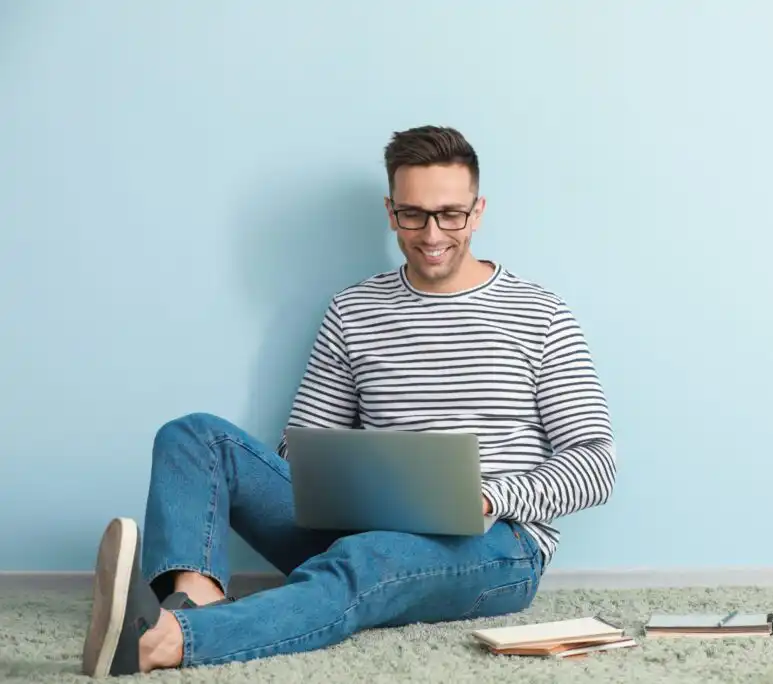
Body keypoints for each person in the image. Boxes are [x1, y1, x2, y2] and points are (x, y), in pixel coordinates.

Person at [80, 125, 617, 677]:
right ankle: (193, 606)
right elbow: (297, 449)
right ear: (391, 212)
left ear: (477, 212)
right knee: (194, 436)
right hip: (362, 521)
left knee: (367, 559)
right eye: (413, 214)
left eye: (450, 214)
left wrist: (486, 498)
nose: (432, 233)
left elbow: (597, 463)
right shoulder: (353, 310)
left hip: (498, 543)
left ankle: (162, 644)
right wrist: (356, 482)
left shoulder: (540, 315)